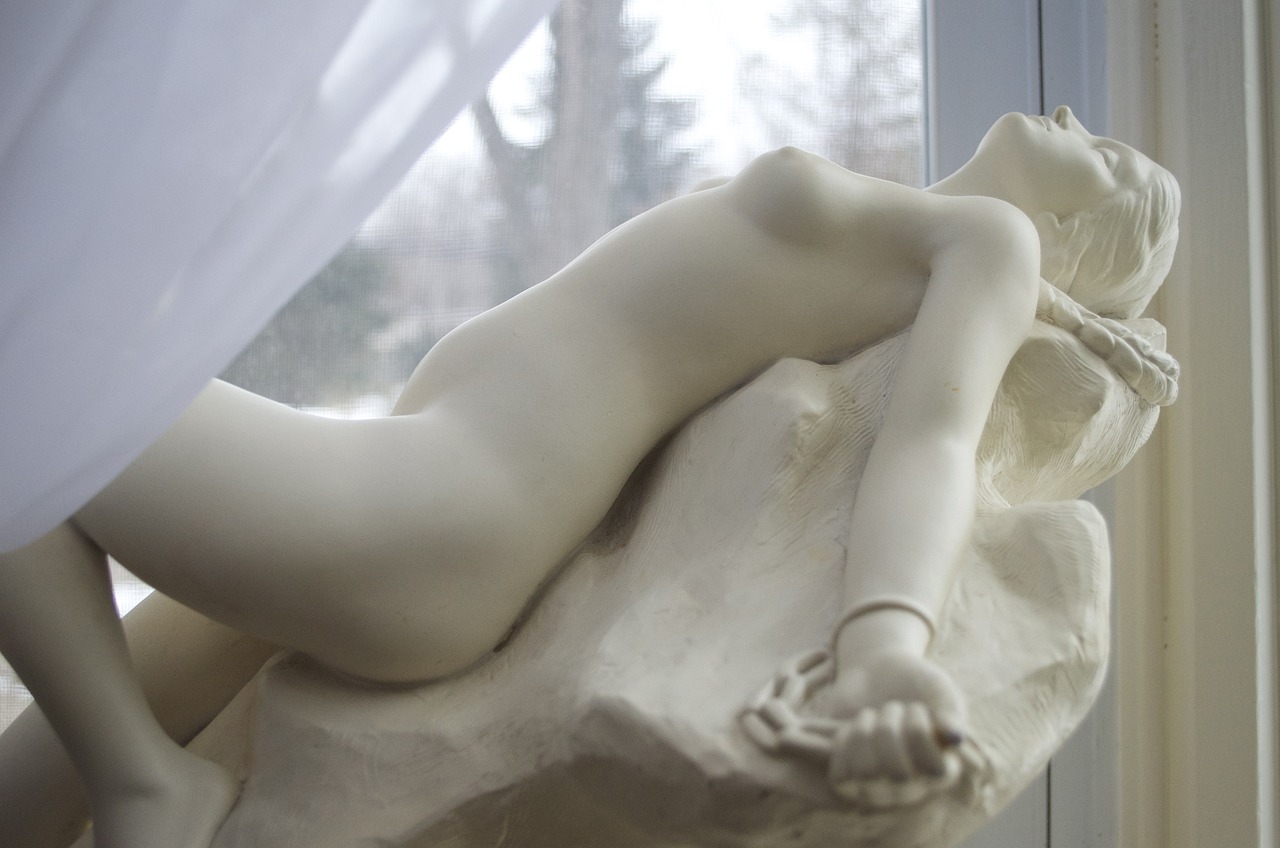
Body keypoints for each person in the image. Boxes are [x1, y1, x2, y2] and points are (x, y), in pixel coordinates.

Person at [0, 106, 1179, 848]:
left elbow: (928, 440)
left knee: (27, 401)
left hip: (422, 516)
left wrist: (883, 643)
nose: (1076, 116)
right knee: (27, 774)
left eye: (1109, 159)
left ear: (1077, 234)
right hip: (401, 485)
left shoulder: (985, 243)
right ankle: (120, 776)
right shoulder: (904, 227)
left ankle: (148, 788)